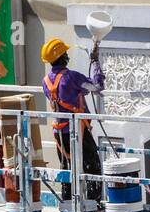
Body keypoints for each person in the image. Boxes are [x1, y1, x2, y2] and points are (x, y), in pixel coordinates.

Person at [41, 38, 104, 201]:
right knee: (93, 167)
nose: (68, 56)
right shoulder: (71, 77)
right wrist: (96, 63)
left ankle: (67, 205)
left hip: (59, 133)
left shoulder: (46, 81)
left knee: (66, 169)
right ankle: (93, 205)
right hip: (77, 131)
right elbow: (97, 86)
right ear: (62, 57)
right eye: (66, 54)